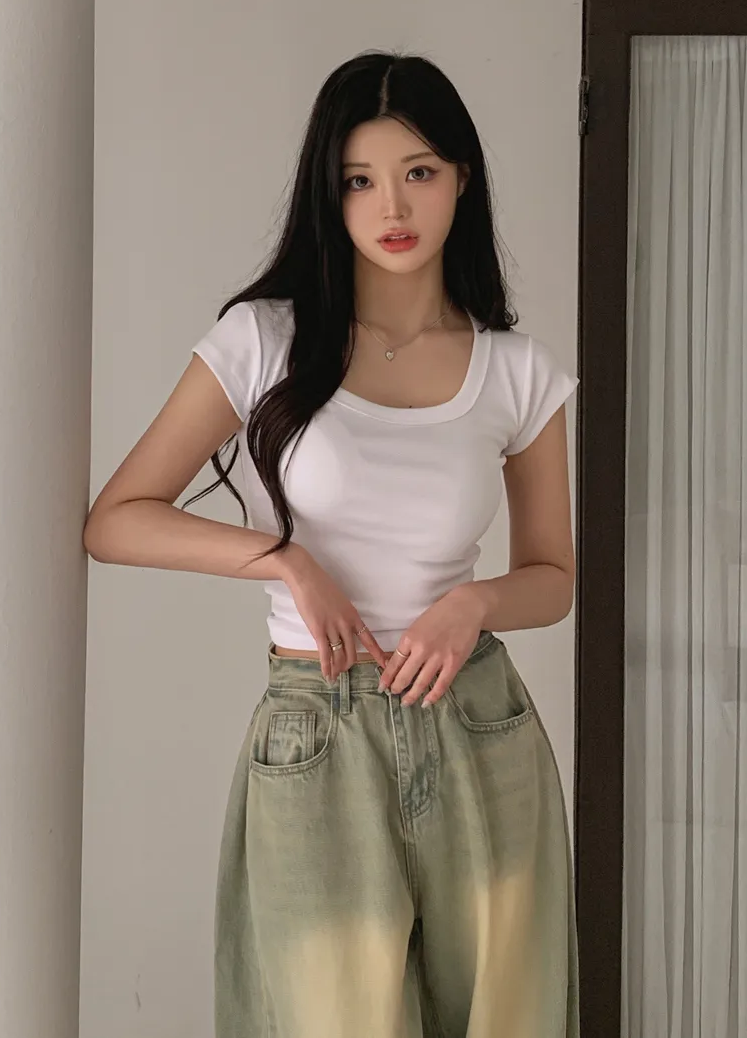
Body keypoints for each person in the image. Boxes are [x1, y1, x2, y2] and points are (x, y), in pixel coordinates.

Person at [83, 52, 580, 1037]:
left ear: (462, 178)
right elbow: (116, 518)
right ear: (330, 192)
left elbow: (554, 577)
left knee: (509, 1017)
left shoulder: (517, 373)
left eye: (418, 172)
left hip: (478, 721)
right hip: (318, 725)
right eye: (359, 179)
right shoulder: (264, 341)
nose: (391, 205)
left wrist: (475, 602)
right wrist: (281, 559)